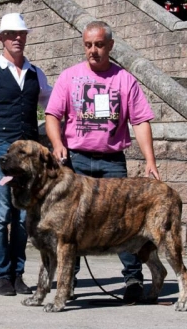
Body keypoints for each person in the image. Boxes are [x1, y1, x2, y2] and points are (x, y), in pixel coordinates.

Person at [44, 20, 160, 303]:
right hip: (76, 162)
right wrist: (58, 144)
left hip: (112, 162)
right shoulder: (69, 77)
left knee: (124, 222)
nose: (92, 50)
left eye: (98, 44)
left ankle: (132, 280)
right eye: (87, 45)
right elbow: (52, 116)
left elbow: (141, 121)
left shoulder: (125, 80)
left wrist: (150, 161)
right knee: (71, 225)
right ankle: (67, 281)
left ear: (110, 45)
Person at [0, 13, 53, 296]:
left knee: (22, 217)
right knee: (2, 214)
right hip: (2, 148)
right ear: (2, 38)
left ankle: (18, 273)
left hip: (28, 154)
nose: (17, 38)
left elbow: (52, 102)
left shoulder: (35, 73)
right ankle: (2, 274)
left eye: (22, 33)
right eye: (12, 34)